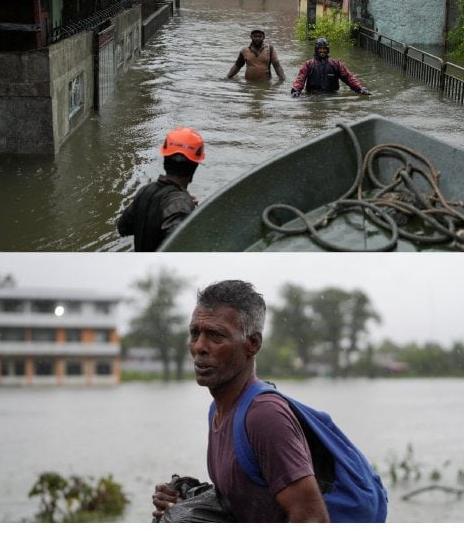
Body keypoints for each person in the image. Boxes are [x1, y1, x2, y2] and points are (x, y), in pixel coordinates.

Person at [150, 280, 329, 523]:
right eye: (195, 333)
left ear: (252, 343)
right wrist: (185, 501)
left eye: (215, 335)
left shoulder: (264, 416)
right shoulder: (218, 409)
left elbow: (313, 519)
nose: (199, 347)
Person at [115, 127, 204, 252]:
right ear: (194, 166)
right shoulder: (181, 203)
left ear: (165, 160)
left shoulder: (145, 191)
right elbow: (177, 249)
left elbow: (123, 228)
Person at [291, 37, 371, 97]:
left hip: (332, 96)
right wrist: (296, 90)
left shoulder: (336, 64)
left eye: (324, 49)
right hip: (313, 96)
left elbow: (349, 78)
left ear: (327, 50)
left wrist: (360, 88)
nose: (322, 51)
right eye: (320, 49)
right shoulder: (308, 64)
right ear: (316, 50)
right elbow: (300, 80)